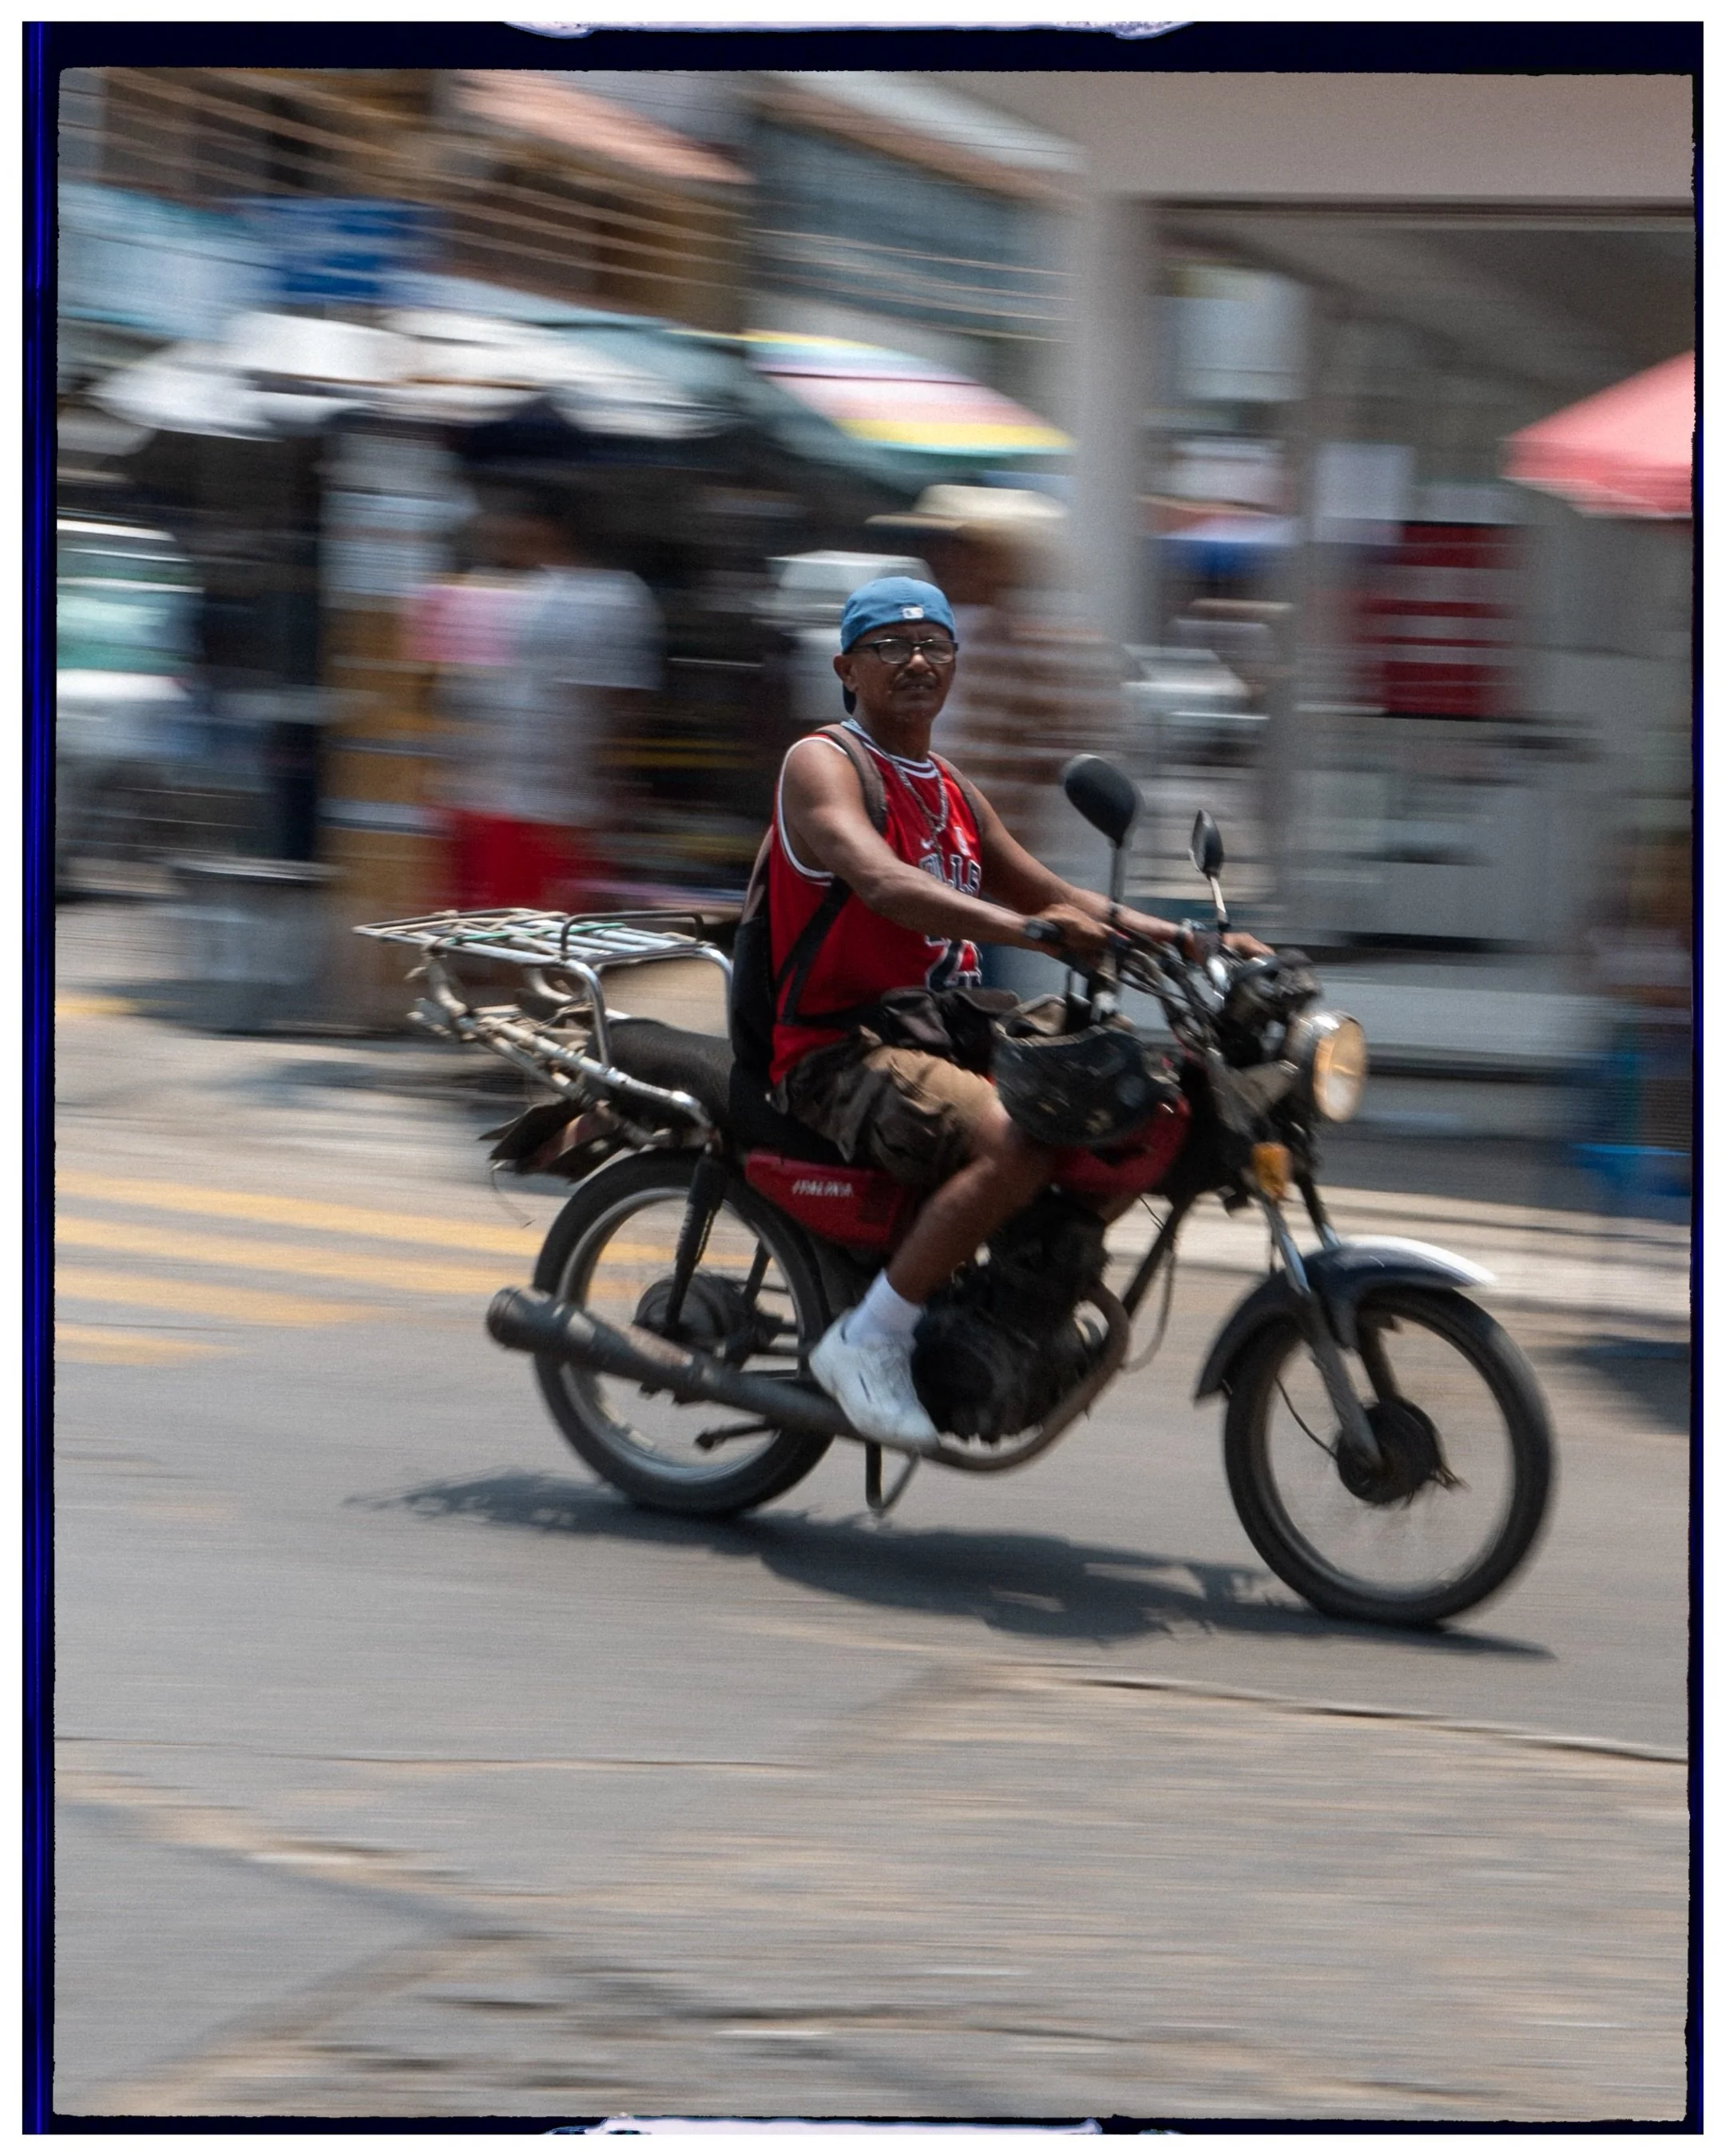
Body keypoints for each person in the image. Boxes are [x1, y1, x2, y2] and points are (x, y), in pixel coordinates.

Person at [767, 575, 1268, 1445]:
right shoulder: (824, 763)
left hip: (935, 1032)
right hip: (834, 1047)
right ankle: (870, 1338)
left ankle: (1015, 1305)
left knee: (1134, 1111)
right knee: (1019, 1138)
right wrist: (1030, 931)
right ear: (847, 666)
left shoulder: (948, 787)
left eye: (935, 646)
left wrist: (1191, 944)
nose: (917, 660)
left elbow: (1054, 891)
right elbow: (887, 885)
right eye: (890, 646)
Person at [422, 492, 661, 912]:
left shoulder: (605, 596)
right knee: (471, 934)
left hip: (548, 808)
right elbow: (446, 692)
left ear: (546, 529)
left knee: (528, 937)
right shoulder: (482, 587)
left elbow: (621, 710)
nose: (498, 533)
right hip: (476, 802)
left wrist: (604, 793)